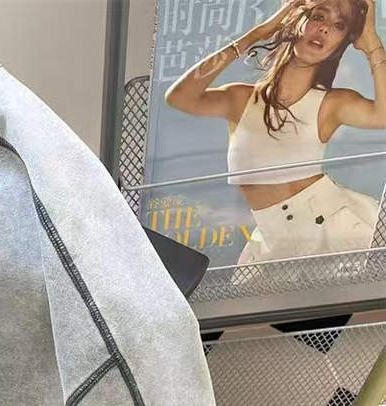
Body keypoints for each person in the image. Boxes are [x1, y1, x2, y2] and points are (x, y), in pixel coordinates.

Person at [165, 0, 386, 264]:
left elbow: (383, 115)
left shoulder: (332, 104)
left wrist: (372, 43)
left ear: (340, 43)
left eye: (339, 25)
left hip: (333, 228)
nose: (325, 29)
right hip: (271, 241)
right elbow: (180, 97)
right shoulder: (240, 99)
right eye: (318, 16)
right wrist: (258, 33)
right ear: (294, 20)